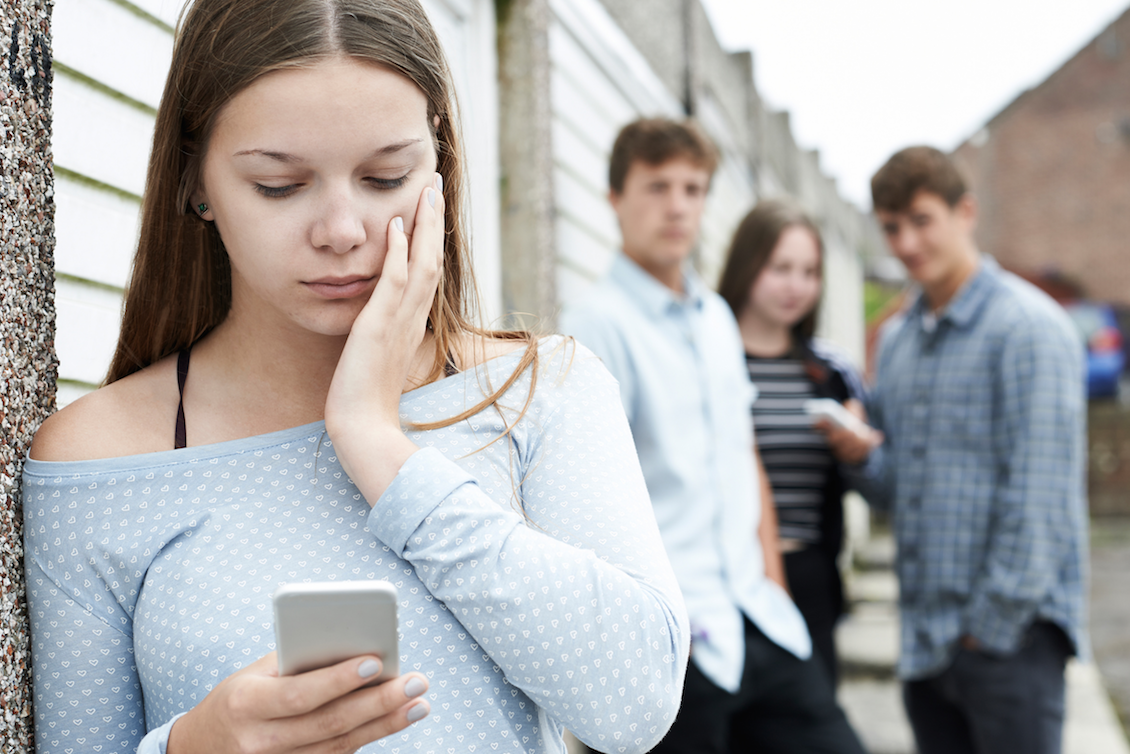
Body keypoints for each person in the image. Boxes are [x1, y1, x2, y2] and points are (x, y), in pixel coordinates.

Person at [21, 2, 689, 753]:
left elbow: (636, 704)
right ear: (195, 181)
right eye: (279, 185)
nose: (342, 231)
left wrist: (379, 446)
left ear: (439, 166)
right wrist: (192, 746)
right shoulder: (100, 461)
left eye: (385, 177)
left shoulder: (539, 391)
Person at [560, 118, 865, 754]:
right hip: (675, 639)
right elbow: (584, 499)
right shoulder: (595, 328)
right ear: (615, 199)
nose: (677, 205)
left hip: (757, 615)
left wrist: (774, 582)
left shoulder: (719, 318)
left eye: (693, 188)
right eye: (658, 186)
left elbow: (742, 455)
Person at [825, 145, 1088, 754]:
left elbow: (1040, 499)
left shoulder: (1029, 329)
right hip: (924, 645)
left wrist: (987, 633)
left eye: (921, 220)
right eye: (892, 227)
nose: (907, 243)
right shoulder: (897, 342)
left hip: (1008, 644)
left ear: (964, 211)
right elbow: (897, 491)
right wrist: (859, 454)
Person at [716, 199, 869, 687]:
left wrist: (858, 450)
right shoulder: (708, 361)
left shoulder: (830, 373)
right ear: (747, 265)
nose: (796, 285)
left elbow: (867, 475)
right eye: (781, 268)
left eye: (809, 271)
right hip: (723, 577)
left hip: (808, 575)